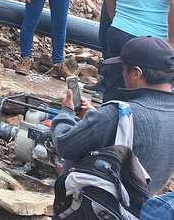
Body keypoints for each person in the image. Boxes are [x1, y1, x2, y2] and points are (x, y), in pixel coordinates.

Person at [51, 37, 174, 197]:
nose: (122, 74)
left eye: (123, 69)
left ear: (136, 73)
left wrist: (66, 112)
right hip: (140, 209)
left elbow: (64, 145)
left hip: (97, 208)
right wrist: (94, 117)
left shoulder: (116, 114)